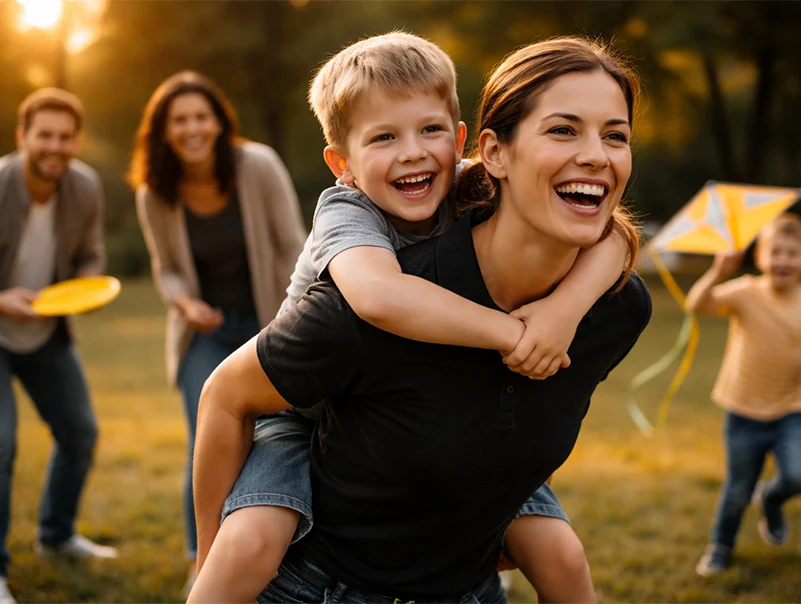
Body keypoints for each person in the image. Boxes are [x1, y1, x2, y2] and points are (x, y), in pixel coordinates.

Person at [192, 35, 651, 604]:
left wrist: (564, 310)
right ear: (342, 164)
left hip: (457, 547)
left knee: (563, 556)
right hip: (297, 411)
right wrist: (514, 333)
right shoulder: (349, 222)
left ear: (460, 142)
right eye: (383, 137)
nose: (412, 152)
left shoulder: (466, 182)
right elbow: (379, 298)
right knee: (249, 543)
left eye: (615, 136)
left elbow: (615, 233)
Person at [127, 71, 307, 594]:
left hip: (273, 325)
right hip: (204, 333)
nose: (192, 129)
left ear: (219, 122)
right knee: (206, 441)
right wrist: (186, 303)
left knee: (280, 436)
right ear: (163, 131)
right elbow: (167, 268)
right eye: (179, 120)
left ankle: (279, 554)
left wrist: (293, 319)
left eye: (201, 117)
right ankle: (200, 560)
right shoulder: (154, 192)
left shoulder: (258, 166)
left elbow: (292, 244)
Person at [0, 88, 118, 604]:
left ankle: (55, 536)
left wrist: (87, 289)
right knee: (1, 444)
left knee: (79, 431)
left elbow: (91, 255)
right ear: (22, 136)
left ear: (77, 140)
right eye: (44, 135)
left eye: (65, 137)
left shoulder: (84, 186)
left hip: (45, 333)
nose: (55, 146)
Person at [688, 212, 801, 577]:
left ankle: (770, 498)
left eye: (793, 253)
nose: (783, 260)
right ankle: (721, 547)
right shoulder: (746, 292)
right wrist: (717, 272)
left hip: (791, 409)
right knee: (737, 488)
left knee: (797, 475)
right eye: (776, 252)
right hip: (744, 412)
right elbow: (697, 305)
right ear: (760, 257)